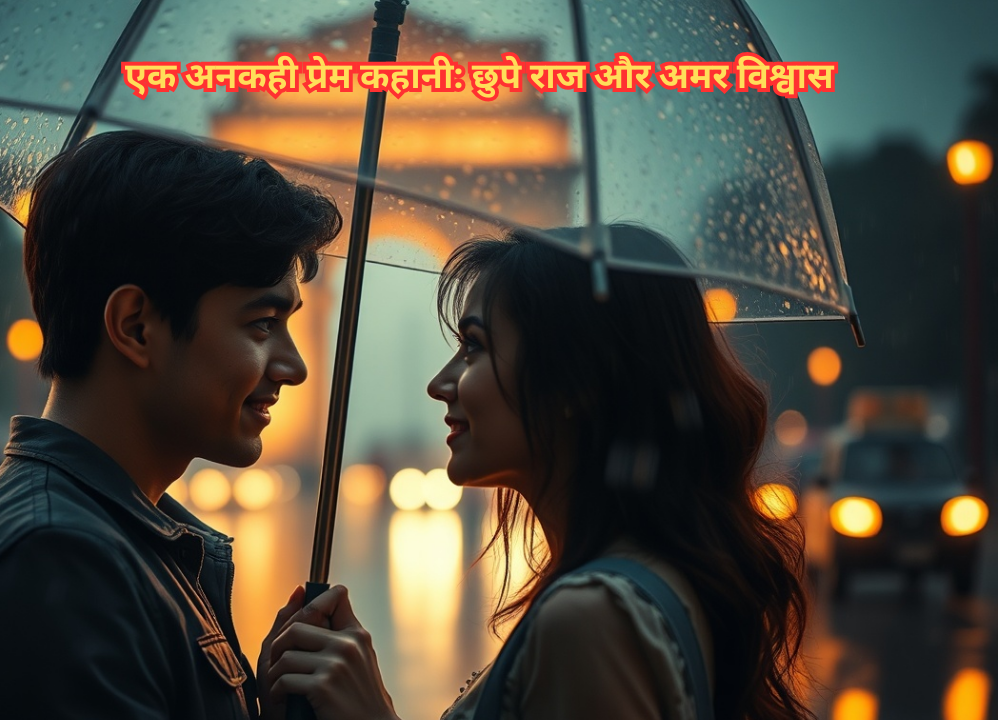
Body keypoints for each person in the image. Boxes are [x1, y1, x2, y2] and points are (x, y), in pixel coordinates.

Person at [261, 225, 814, 720]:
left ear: (576, 382)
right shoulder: (655, 583)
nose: (441, 382)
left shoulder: (589, 618)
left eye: (474, 347)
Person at [0, 131, 342, 720]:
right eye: (262, 324)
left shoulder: (108, 539)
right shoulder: (57, 567)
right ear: (136, 327)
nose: (295, 367)